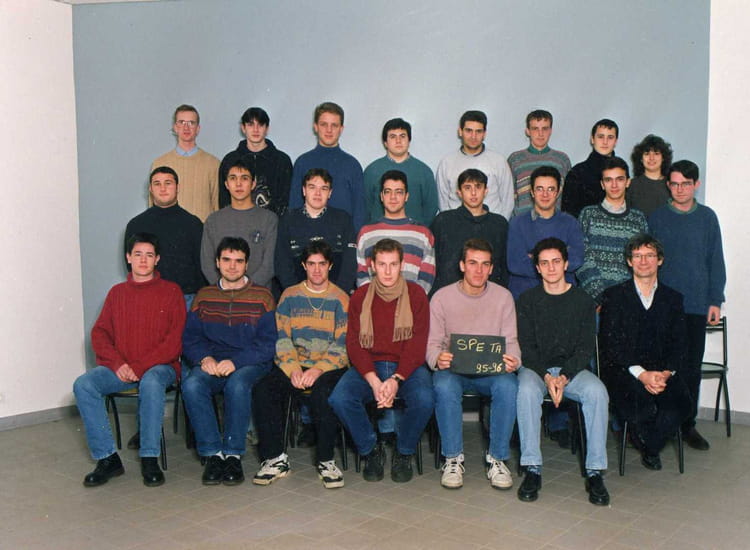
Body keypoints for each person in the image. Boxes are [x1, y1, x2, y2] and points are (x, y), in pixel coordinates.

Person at [73, 233, 186, 487]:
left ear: (157, 259)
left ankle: (149, 457)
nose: (143, 260)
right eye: (138, 254)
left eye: (149, 255)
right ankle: (108, 458)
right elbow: (99, 334)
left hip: (161, 367)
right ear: (128, 258)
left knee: (151, 382)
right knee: (84, 384)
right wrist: (118, 364)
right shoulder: (116, 293)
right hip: (123, 368)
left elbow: (173, 343)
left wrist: (139, 367)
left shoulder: (171, 292)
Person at [329, 239, 434, 483]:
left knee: (425, 399)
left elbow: (417, 344)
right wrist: (374, 381)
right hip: (370, 365)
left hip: (406, 366)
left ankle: (403, 451)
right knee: (340, 398)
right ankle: (370, 450)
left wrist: (396, 379)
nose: (387, 271)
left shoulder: (417, 295)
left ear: (402, 265)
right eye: (382, 264)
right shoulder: (360, 297)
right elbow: (354, 344)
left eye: (393, 264)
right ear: (372, 266)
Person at [516, 238, 609, 505]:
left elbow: (585, 348)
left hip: (572, 370)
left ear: (566, 264)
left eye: (556, 261)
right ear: (537, 268)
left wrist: (564, 377)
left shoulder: (583, 300)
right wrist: (547, 377)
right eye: (544, 263)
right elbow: (526, 347)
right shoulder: (527, 300)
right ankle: (532, 468)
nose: (551, 268)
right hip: (537, 369)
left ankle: (595, 471)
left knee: (598, 392)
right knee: (525, 390)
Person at [252, 241, 350, 489]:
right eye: (311, 264)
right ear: (304, 265)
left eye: (322, 264)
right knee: (264, 389)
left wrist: (318, 370)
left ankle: (326, 461)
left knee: (323, 394)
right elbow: (282, 338)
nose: (317, 270)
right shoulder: (289, 295)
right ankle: (275, 459)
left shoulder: (341, 298)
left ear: (330, 266)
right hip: (295, 364)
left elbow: (342, 344)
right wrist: (293, 368)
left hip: (327, 367)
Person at [182, 237, 277, 486]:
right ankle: (213, 454)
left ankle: (233, 455)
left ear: (247, 264)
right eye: (226, 260)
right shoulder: (204, 295)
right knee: (192, 385)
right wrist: (204, 358)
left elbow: (268, 344)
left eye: (238, 261)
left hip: (250, 362)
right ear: (217, 262)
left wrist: (236, 362)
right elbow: (190, 338)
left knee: (237, 384)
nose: (232, 266)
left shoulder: (263, 296)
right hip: (213, 361)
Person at [427, 238, 520, 490]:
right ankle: (453, 458)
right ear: (462, 265)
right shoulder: (442, 297)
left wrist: (514, 360)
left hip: (490, 372)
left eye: (485, 264)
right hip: (454, 370)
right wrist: (437, 357)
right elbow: (432, 343)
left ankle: (497, 458)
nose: (479, 270)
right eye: (472, 263)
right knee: (444, 386)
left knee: (508, 386)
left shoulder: (503, 297)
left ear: (491, 268)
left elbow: (511, 341)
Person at [649, 160, 726, 451]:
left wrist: (715, 300)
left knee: (691, 368)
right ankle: (662, 423)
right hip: (664, 306)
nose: (680, 189)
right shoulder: (657, 217)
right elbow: (648, 263)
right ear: (668, 185)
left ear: (696, 184)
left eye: (686, 184)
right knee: (663, 365)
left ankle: (687, 425)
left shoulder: (707, 218)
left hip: (695, 304)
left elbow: (715, 260)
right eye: (675, 184)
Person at [599, 234, 693, 470]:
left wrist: (665, 374)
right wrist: (642, 375)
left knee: (682, 405)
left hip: (663, 372)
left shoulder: (673, 299)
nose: (643, 261)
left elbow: (680, 343)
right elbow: (611, 346)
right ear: (629, 261)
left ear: (660, 260)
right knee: (642, 408)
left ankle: (650, 446)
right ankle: (650, 445)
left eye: (650, 255)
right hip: (626, 371)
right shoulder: (613, 296)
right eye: (637, 256)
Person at [125, 166, 204, 305]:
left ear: (177, 187)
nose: (163, 188)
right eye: (157, 184)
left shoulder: (193, 224)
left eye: (168, 183)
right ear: (150, 189)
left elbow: (201, 265)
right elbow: (131, 264)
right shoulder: (136, 225)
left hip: (186, 298)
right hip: (148, 296)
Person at [577, 157, 648, 304]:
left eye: (619, 179)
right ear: (602, 184)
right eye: (608, 180)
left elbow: (642, 262)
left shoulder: (638, 219)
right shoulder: (588, 215)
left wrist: (622, 297)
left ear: (628, 182)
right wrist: (601, 296)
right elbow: (581, 257)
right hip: (592, 302)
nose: (614, 185)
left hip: (626, 301)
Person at [507, 166, 584, 300]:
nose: (545, 194)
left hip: (563, 295)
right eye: (539, 189)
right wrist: (558, 261)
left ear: (558, 192)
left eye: (550, 189)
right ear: (532, 192)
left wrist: (534, 257)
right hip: (525, 294)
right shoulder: (517, 223)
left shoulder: (571, 223)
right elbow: (516, 264)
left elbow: (577, 259)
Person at [275, 168, 357, 294]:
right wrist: (297, 295)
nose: (318, 193)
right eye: (312, 187)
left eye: (324, 188)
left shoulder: (343, 219)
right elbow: (282, 263)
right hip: (297, 296)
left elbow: (349, 264)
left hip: (336, 295)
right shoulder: (287, 220)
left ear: (330, 193)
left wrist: (337, 294)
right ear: (304, 190)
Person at [200, 158, 277, 288]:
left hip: (257, 293)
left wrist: (245, 289)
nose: (238, 184)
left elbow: (269, 265)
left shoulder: (269, 219)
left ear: (253, 184)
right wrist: (224, 288)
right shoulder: (213, 220)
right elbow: (207, 264)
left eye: (244, 178)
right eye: (233, 178)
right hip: (221, 294)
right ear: (226, 184)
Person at [356, 170, 435, 294]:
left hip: (410, 302)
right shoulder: (366, 233)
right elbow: (361, 274)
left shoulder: (423, 234)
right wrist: (375, 300)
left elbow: (427, 277)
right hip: (374, 302)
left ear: (406, 196)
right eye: (388, 192)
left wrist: (411, 300)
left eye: (399, 192)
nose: (393, 197)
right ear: (381, 196)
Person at [288, 102, 365, 230]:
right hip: (307, 236)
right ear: (315, 127)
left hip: (342, 237)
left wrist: (354, 239)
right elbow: (294, 207)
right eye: (324, 124)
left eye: (334, 125)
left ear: (341, 129)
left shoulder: (352, 165)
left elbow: (359, 212)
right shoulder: (302, 163)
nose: (329, 130)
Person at [430, 168, 509, 294]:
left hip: (488, 294)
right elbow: (432, 261)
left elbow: (503, 266)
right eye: (467, 188)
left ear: (486, 191)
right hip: (449, 294)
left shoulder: (499, 224)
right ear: (459, 193)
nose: (473, 193)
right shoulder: (443, 221)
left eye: (478, 187)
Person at [436, 110, 514, 219]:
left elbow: (508, 201)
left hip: (490, 225)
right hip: (456, 225)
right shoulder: (447, 163)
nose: (473, 136)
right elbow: (442, 202)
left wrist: (498, 224)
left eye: (478, 131)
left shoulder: (499, 161)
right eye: (469, 131)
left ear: (484, 134)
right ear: (460, 131)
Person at [218, 107, 293, 216]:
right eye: (250, 124)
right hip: (237, 223)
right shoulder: (230, 161)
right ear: (243, 128)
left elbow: (285, 201)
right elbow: (224, 200)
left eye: (260, 125)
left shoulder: (282, 161)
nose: (255, 130)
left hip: (272, 224)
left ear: (267, 129)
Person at [150, 104, 219, 222]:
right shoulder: (160, 163)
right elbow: (152, 208)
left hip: (202, 231)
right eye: (181, 122)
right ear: (175, 127)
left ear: (198, 129)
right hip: (167, 229)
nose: (186, 127)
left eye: (191, 123)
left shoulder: (213, 164)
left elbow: (217, 207)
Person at [363, 118, 438, 225]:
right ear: (385, 142)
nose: (398, 141)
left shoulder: (424, 171)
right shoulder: (372, 171)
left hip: (414, 232)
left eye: (402, 136)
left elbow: (431, 207)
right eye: (393, 136)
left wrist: (419, 229)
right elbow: (365, 206)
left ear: (409, 140)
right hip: (380, 232)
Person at [507, 110, 572, 217]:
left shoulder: (562, 160)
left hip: (554, 221)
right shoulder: (515, 160)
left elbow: (568, 197)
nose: (540, 133)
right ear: (527, 131)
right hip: (523, 221)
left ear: (550, 131)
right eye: (535, 128)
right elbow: (508, 197)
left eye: (545, 129)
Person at [561, 119, 619, 218]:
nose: (605, 142)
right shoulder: (577, 173)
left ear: (616, 141)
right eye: (600, 137)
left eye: (610, 137)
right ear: (592, 139)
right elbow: (568, 215)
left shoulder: (622, 172)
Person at [627, 134, 673, 216]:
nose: (651, 158)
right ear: (641, 158)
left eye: (656, 153)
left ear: (663, 158)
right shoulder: (631, 185)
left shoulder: (672, 185)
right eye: (647, 154)